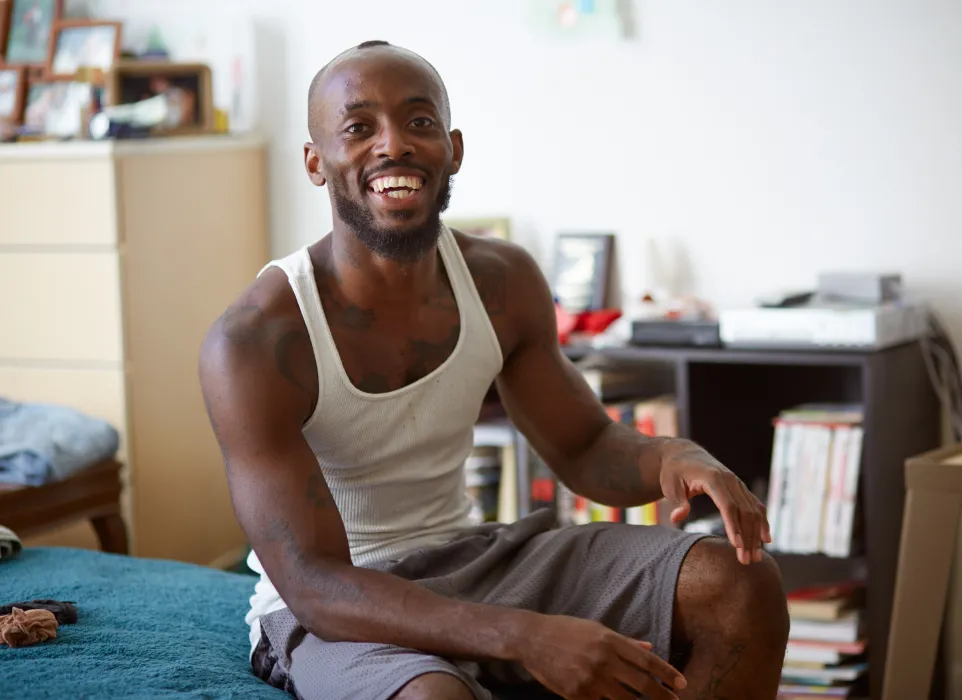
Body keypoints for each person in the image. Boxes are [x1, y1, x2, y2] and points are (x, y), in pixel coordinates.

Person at [198, 40, 789, 700]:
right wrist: (526, 636)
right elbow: (313, 582)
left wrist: (674, 457)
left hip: (478, 559)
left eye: (419, 122)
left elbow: (585, 447)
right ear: (315, 160)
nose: (394, 145)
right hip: (339, 605)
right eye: (359, 127)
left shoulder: (501, 281)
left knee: (741, 585)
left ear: (452, 147)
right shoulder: (256, 338)